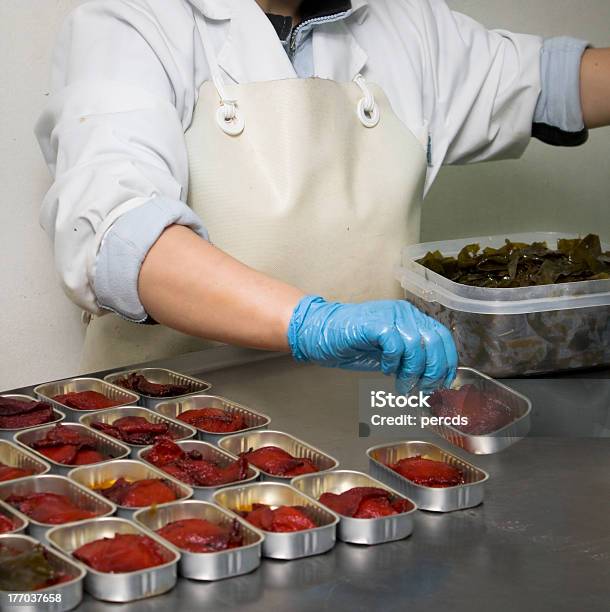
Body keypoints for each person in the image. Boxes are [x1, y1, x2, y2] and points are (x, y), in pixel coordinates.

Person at [36, 0, 609, 389]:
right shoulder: (131, 21)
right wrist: (312, 324)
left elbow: (551, 82)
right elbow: (119, 236)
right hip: (176, 425)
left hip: (366, 420)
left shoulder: (405, 23)